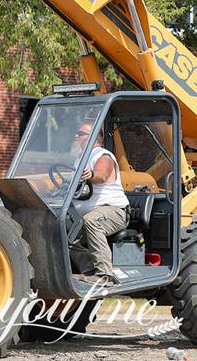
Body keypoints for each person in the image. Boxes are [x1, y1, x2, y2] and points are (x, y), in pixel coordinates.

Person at [69, 122, 129, 286]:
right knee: (63, 233)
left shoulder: (103, 155)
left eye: (80, 133)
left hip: (114, 211)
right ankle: (89, 270)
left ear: (93, 137)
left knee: (91, 220)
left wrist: (92, 174)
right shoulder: (80, 159)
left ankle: (104, 275)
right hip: (89, 213)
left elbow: (101, 175)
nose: (76, 136)